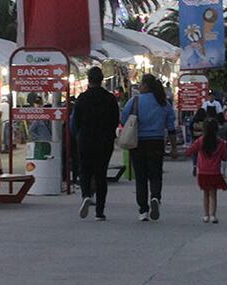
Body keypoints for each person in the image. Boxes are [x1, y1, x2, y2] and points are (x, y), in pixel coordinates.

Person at [121, 74, 176, 222]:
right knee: (156, 174)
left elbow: (124, 118)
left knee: (141, 177)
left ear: (146, 86)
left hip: (138, 143)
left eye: (140, 84)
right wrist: (174, 148)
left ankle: (143, 210)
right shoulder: (163, 102)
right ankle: (155, 197)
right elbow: (171, 127)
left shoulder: (135, 100)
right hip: (157, 142)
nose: (139, 86)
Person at [72, 67, 120, 220]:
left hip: (86, 139)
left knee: (85, 170)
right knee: (101, 174)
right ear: (102, 80)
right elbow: (115, 120)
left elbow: (75, 121)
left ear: (88, 80)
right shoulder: (110, 98)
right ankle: (100, 212)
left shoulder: (82, 98)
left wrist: (78, 135)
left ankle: (86, 194)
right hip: (104, 141)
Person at [185, 119, 227, 223]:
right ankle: (213, 215)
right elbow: (225, 157)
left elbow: (189, 151)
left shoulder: (200, 141)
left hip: (203, 171)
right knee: (213, 194)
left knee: (205, 193)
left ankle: (206, 215)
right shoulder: (220, 142)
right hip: (215, 172)